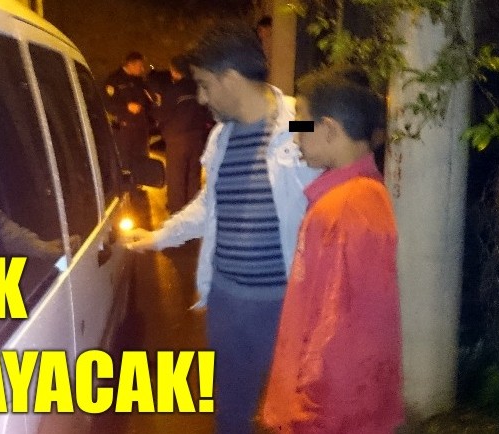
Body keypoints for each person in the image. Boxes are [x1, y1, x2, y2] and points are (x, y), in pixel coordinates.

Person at [124, 21, 320, 434]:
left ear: (230, 78)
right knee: (230, 409)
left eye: (204, 85)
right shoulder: (221, 138)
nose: (200, 97)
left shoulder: (298, 123)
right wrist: (159, 236)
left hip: (285, 303)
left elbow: (331, 173)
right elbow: (208, 205)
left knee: (294, 412)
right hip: (226, 299)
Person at [257, 70, 403, 433]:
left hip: (328, 412)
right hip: (348, 405)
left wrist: (306, 413)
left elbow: (334, 329)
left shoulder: (342, 209)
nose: (296, 137)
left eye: (301, 124)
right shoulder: (364, 194)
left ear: (329, 129)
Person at [153, 54, 214, 213]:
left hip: (177, 141)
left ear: (174, 71)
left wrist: (158, 105)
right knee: (193, 178)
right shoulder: (199, 88)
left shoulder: (172, 90)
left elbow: (162, 115)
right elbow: (208, 113)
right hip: (197, 139)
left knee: (176, 180)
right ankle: (193, 214)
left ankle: (177, 215)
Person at [104, 51, 152, 170]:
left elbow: (147, 101)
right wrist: (126, 107)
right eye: (140, 66)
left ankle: (139, 180)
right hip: (124, 129)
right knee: (125, 161)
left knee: (141, 160)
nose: (142, 69)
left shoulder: (139, 81)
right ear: (131, 64)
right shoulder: (114, 80)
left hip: (140, 128)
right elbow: (107, 104)